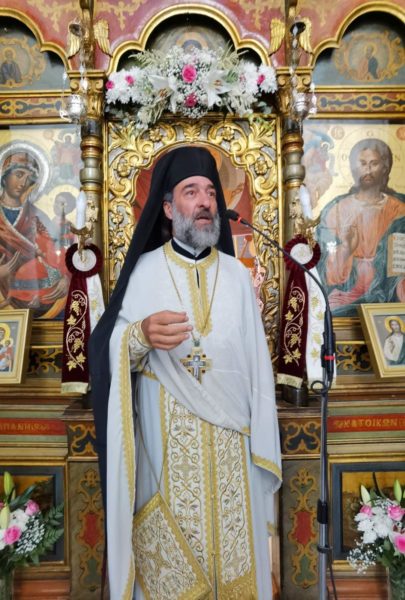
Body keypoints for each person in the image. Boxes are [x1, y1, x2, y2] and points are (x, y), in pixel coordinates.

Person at [89, 146, 282, 599]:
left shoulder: (237, 277)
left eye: (210, 192)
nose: (204, 202)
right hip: (165, 459)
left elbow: (258, 368)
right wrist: (138, 335)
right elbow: (106, 350)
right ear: (168, 207)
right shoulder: (143, 272)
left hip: (234, 456)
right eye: (190, 191)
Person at [317, 138, 405, 316]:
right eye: (363, 163)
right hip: (348, 290)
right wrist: (347, 248)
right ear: (353, 167)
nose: (368, 170)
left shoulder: (399, 209)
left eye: (374, 163)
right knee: (331, 310)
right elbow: (326, 272)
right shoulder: (336, 210)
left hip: (389, 290)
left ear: (385, 167)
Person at [0, 151, 69, 317]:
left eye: (29, 178)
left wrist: (66, 277)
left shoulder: (37, 216)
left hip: (40, 294)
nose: (23, 183)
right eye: (19, 175)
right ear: (4, 177)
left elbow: (57, 250)